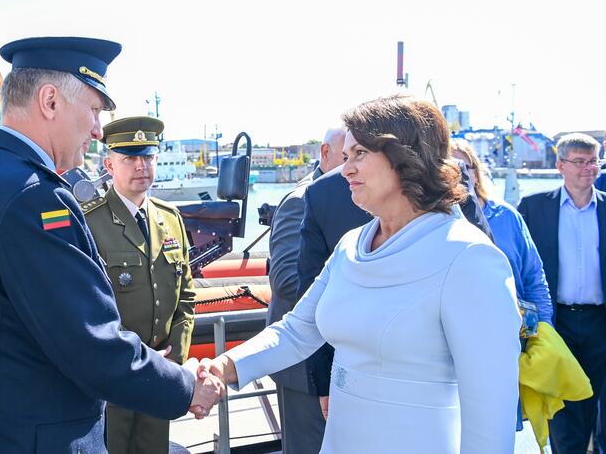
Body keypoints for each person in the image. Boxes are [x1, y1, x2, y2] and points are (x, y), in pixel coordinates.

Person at [0, 37, 222, 453]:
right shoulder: (31, 196)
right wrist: (186, 386)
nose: (97, 129)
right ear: (50, 101)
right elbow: (89, 342)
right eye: (92, 109)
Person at [198, 95, 522, 453]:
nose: (345, 170)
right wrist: (224, 367)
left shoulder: (469, 258)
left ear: (406, 157)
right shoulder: (351, 246)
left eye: (360, 155)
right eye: (346, 156)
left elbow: (492, 414)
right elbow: (298, 331)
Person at [81, 116, 196, 454]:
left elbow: (185, 297)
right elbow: (85, 307)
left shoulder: (170, 217)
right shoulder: (90, 221)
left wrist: (175, 357)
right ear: (109, 164)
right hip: (112, 385)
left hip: (160, 377)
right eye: (129, 158)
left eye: (147, 157)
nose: (140, 166)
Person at [518, 133, 606, 454]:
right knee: (564, 410)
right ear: (561, 166)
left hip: (601, 323)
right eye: (580, 162)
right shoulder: (533, 208)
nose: (588, 168)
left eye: (593, 161)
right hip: (556, 323)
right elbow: (520, 267)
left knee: (601, 411)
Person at [264, 127, 345, 452]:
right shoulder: (302, 201)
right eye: (348, 155)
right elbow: (286, 279)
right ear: (325, 153)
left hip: (337, 362)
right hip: (304, 369)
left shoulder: (346, 200)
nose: (355, 165)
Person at [451, 139, 553, 323]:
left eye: (463, 167)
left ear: (475, 174)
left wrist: (546, 328)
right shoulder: (433, 223)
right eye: (450, 169)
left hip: (516, 331)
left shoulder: (508, 217)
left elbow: (534, 277)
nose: (458, 175)